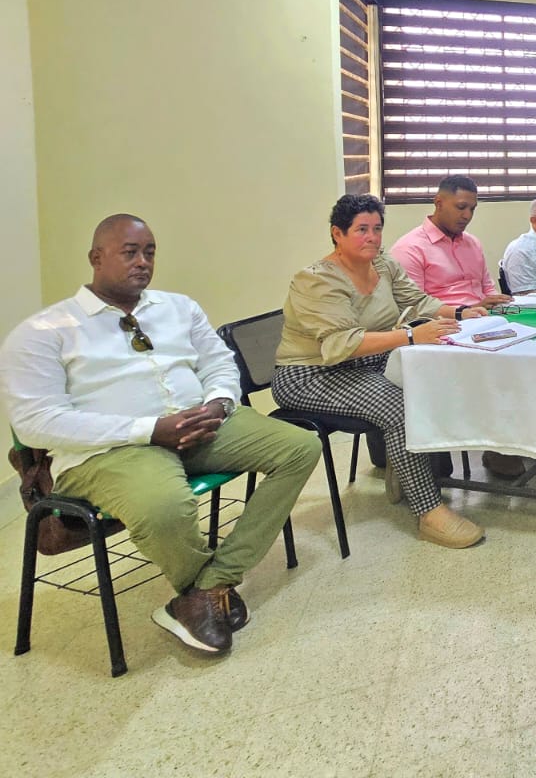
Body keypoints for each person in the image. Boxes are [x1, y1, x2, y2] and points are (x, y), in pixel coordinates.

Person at [0, 214, 321, 655]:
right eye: (130, 252)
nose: (143, 261)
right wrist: (148, 430)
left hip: (200, 425)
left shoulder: (179, 308)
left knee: (299, 446)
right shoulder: (44, 333)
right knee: (165, 507)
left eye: (149, 252)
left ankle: (209, 585)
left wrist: (219, 403)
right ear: (96, 257)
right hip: (109, 451)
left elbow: (219, 362)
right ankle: (207, 592)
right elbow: (36, 421)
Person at [273, 195, 487, 549]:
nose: (372, 237)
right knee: (398, 406)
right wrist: (411, 336)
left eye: (377, 228)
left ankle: (409, 466)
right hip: (312, 375)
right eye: (361, 230)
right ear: (337, 233)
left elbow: (418, 301)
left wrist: (461, 312)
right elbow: (341, 344)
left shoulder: (382, 264)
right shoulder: (316, 280)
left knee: (436, 380)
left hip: (365, 363)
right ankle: (429, 511)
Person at [389, 174, 512, 314]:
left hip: (486, 317)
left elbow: (488, 289)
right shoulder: (410, 249)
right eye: (461, 207)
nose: (467, 216)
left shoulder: (472, 243)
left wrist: (499, 303)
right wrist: (468, 311)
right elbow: (415, 309)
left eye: (472, 209)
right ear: (439, 203)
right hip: (447, 322)